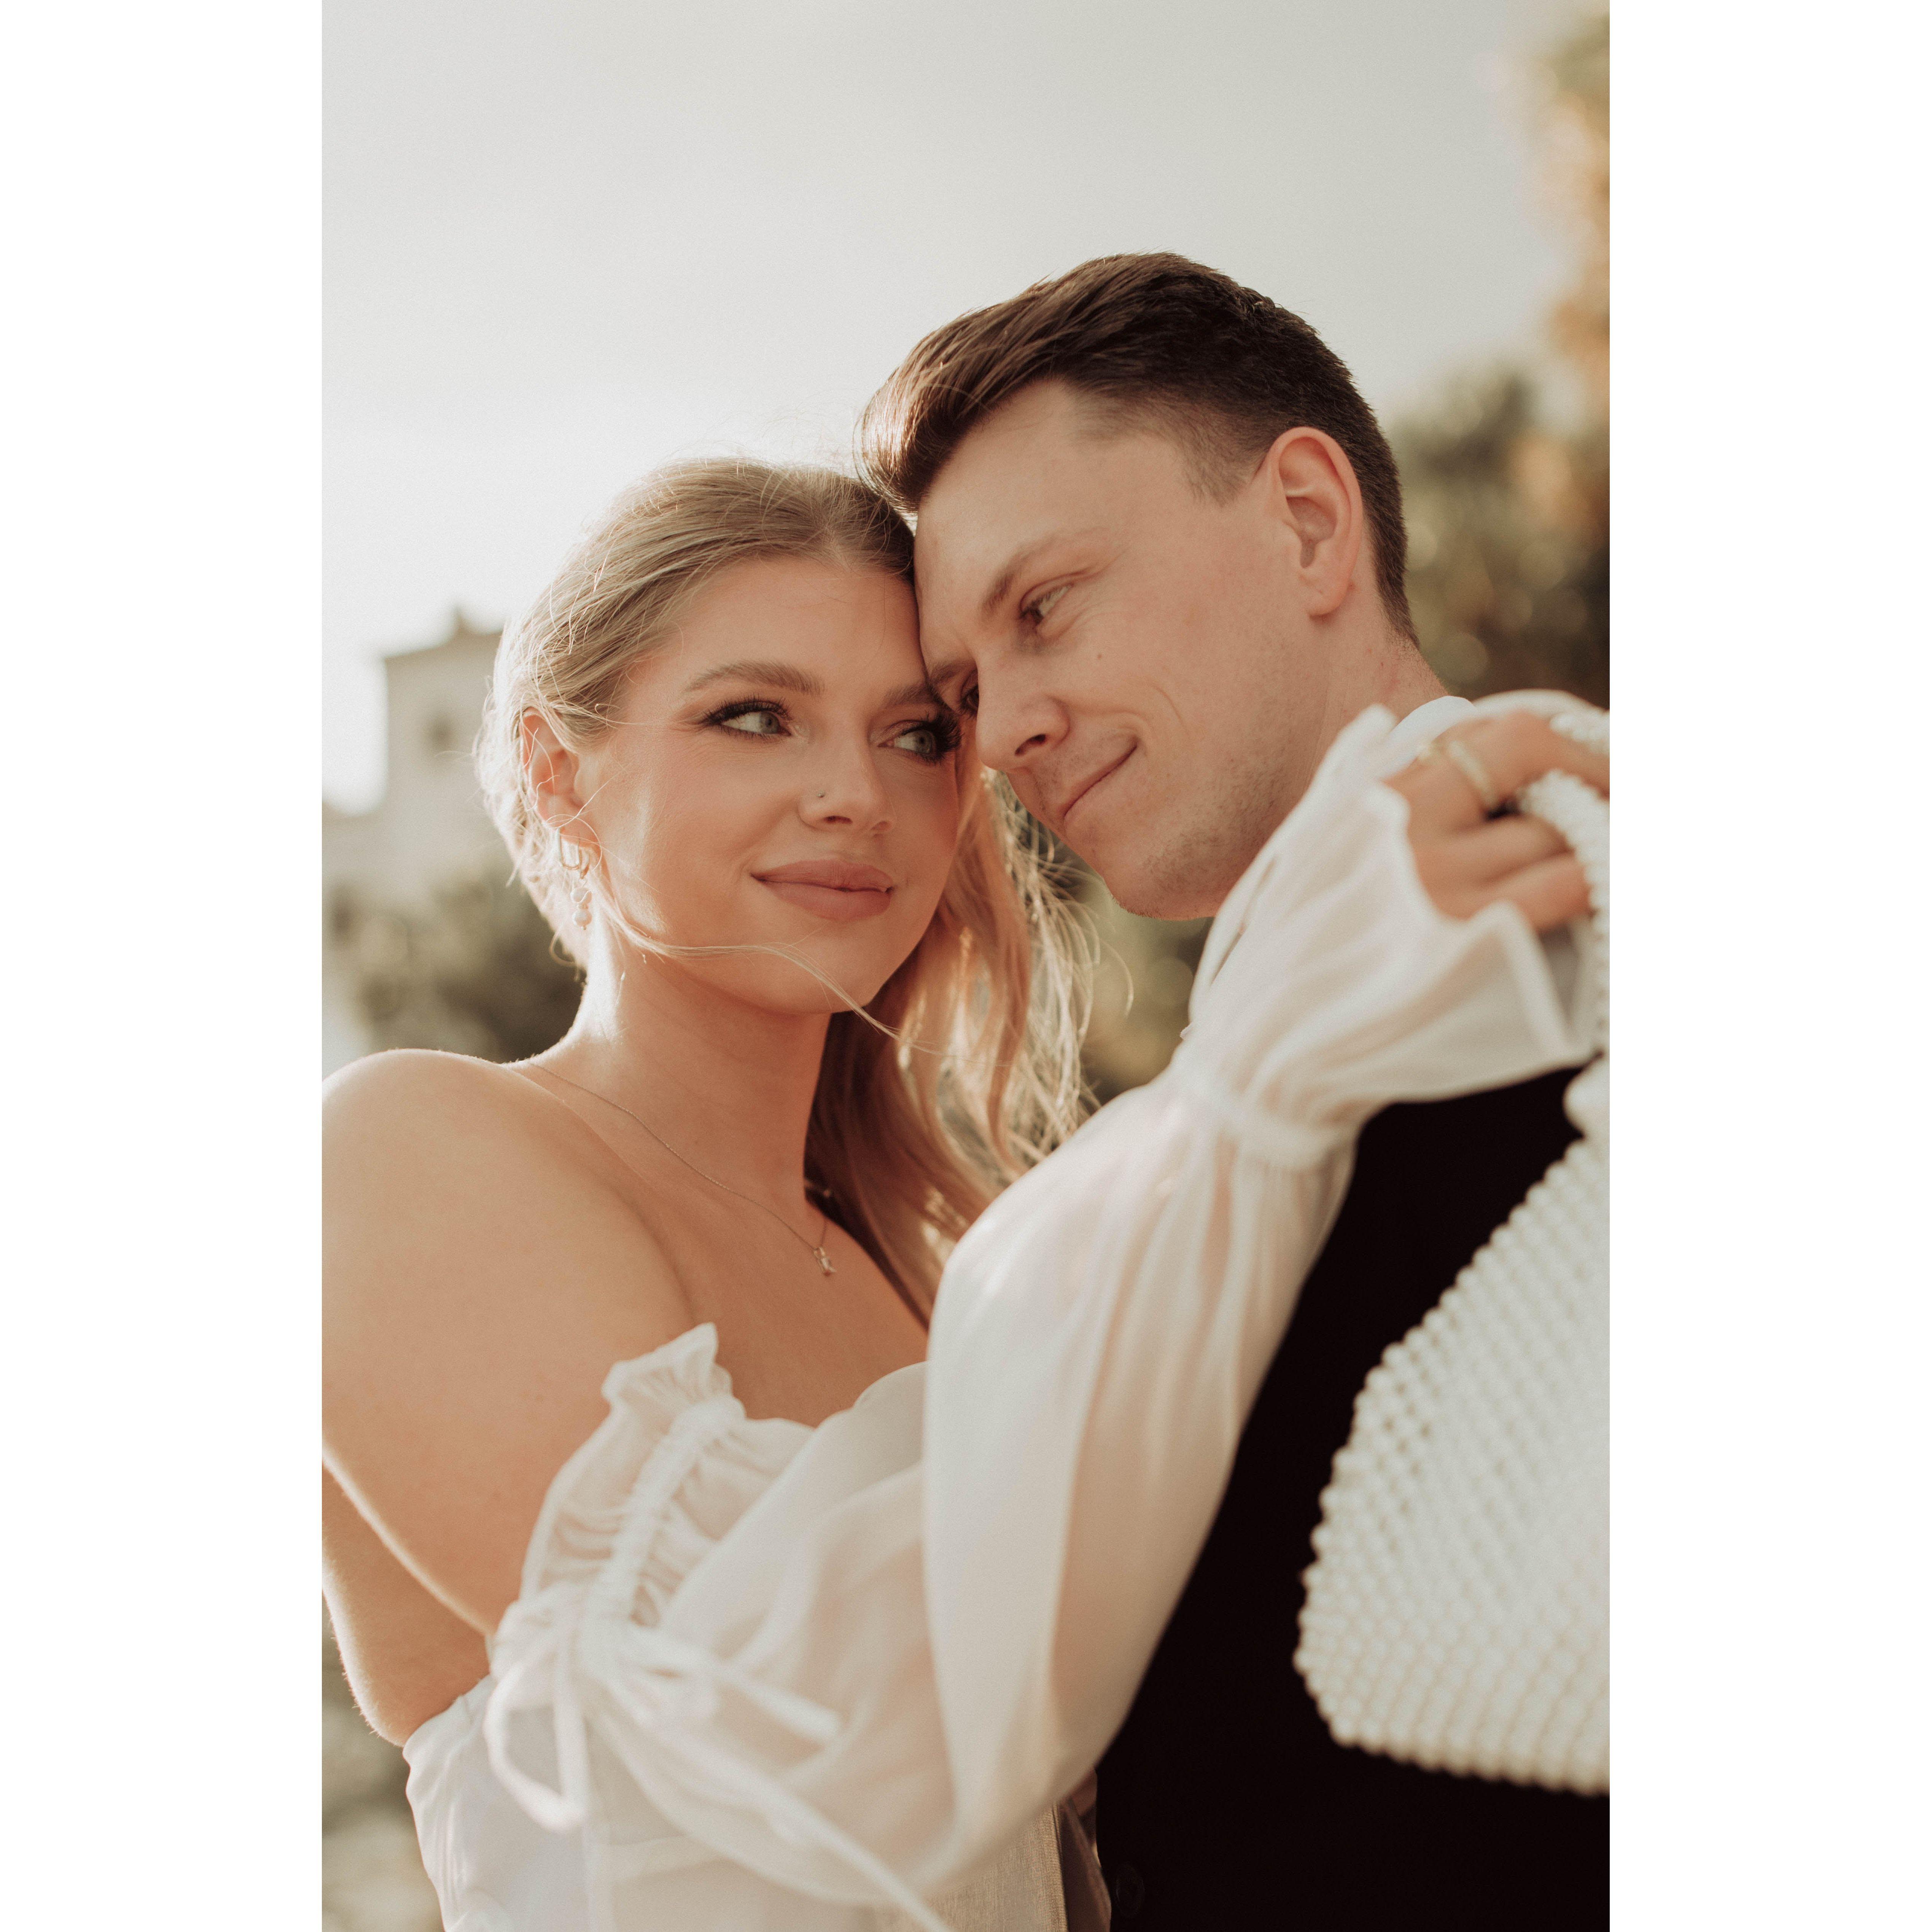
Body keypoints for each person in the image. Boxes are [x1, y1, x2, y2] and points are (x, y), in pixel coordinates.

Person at [858, 251, 1610, 1926]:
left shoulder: (1560, 896)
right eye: (963, 693)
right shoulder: (1267, 1042)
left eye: (1045, 606)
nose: (1002, 734)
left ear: (1309, 523)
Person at [323, 458, 1097, 1931]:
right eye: (754, 716)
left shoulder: (935, 1277)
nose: (854, 794)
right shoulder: (400, 1148)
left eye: (918, 735)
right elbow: (777, 1716)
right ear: (561, 772)